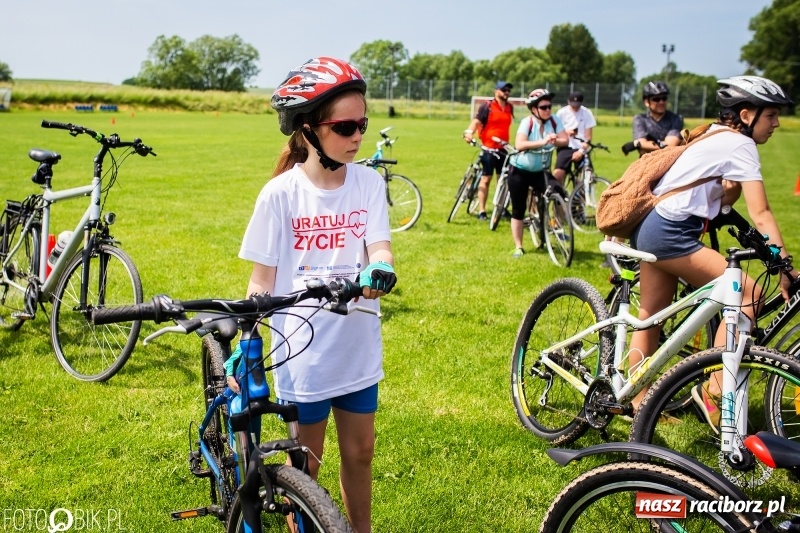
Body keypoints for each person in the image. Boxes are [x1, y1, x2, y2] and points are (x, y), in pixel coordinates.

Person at [228, 56, 396, 533]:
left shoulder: (367, 182)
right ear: (308, 130)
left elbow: (378, 245)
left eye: (362, 123)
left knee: (361, 452)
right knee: (307, 470)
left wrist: (381, 264)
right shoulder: (279, 195)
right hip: (304, 353)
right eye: (345, 126)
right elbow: (261, 281)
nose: (358, 136)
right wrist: (249, 346)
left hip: (356, 345)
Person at [625, 75, 798, 428]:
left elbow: (720, 202)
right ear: (747, 114)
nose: (777, 123)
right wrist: (783, 265)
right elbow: (761, 212)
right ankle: (714, 392)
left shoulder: (713, 134)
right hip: (672, 231)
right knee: (748, 295)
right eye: (771, 116)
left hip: (655, 224)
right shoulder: (740, 145)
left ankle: (638, 404)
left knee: (651, 315)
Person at [506, 88, 569, 258]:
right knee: (518, 209)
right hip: (519, 171)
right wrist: (543, 142)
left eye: (549, 106)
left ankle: (555, 227)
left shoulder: (554, 121)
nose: (548, 110)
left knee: (558, 193)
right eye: (544, 107)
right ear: (534, 109)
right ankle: (519, 246)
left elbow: (565, 140)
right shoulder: (528, 122)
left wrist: (555, 140)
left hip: (540, 171)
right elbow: (519, 144)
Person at [463, 81, 515, 220]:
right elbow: (476, 121)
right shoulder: (487, 106)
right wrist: (469, 132)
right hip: (489, 148)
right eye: (504, 90)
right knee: (486, 179)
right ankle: (482, 210)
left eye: (508, 90)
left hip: (503, 149)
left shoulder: (510, 107)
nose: (507, 93)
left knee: (503, 181)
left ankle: (501, 208)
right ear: (496, 91)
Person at [626, 80, 684, 156]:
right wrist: (642, 144)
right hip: (646, 164)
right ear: (647, 102)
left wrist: (637, 144)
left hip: (669, 163)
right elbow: (642, 143)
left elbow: (670, 146)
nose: (661, 102)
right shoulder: (640, 119)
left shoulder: (676, 119)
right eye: (656, 99)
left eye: (664, 98)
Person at [553, 91, 597, 186]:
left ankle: (580, 197)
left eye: (577, 105)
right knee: (558, 173)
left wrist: (580, 152)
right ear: (568, 102)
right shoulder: (561, 113)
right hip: (565, 146)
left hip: (581, 148)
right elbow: (554, 132)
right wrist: (565, 132)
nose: (575, 107)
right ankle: (559, 196)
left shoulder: (587, 113)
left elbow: (588, 137)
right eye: (573, 104)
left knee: (587, 174)